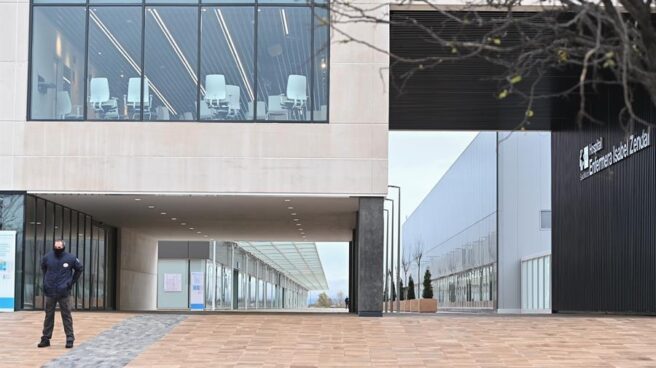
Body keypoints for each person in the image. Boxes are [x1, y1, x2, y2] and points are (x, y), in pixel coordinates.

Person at [38, 239, 83, 349]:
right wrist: (46, 281)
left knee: (66, 315)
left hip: (64, 292)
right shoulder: (47, 257)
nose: (58, 249)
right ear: (53, 247)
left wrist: (70, 283)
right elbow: (44, 268)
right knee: (48, 315)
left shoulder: (71, 258)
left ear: (63, 247)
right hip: (50, 291)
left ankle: (70, 338)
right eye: (56, 247)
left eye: (59, 247)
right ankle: (45, 338)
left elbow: (79, 269)